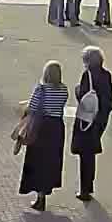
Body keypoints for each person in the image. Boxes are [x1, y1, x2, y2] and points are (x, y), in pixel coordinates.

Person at [17, 60, 70, 211]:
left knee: (37, 161)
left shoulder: (41, 89)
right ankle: (45, 190)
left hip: (41, 127)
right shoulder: (63, 89)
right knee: (51, 161)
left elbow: (33, 108)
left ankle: (39, 197)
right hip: (57, 127)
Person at [72, 46, 112, 202]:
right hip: (100, 121)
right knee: (90, 154)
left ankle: (84, 190)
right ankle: (88, 187)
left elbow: (83, 98)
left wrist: (77, 91)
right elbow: (111, 102)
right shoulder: (107, 75)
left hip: (87, 120)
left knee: (85, 155)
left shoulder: (87, 75)